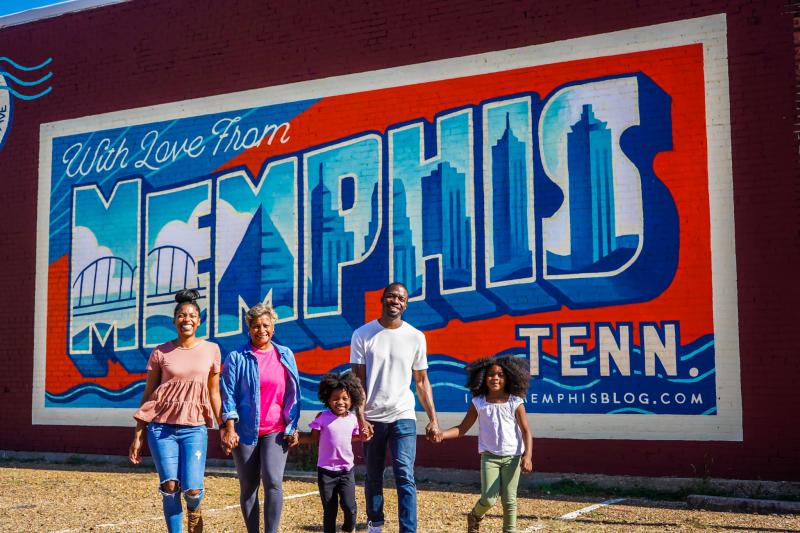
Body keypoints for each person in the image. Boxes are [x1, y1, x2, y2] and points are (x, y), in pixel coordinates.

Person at [128, 288, 223, 533]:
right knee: (170, 486)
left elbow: (214, 392)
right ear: (174, 321)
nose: (186, 319)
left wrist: (225, 425)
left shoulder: (211, 350)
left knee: (192, 489)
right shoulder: (160, 352)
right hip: (161, 429)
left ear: (199, 321)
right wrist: (138, 434)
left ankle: (195, 511)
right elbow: (149, 394)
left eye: (192, 315)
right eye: (181, 315)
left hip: (195, 429)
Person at [350, 282, 441, 533]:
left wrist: (433, 419)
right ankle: (375, 524)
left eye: (401, 298)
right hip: (372, 417)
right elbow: (357, 380)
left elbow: (422, 381)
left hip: (403, 415)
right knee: (373, 474)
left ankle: (408, 529)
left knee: (404, 473)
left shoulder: (415, 337)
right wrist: (361, 416)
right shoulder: (362, 334)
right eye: (391, 296)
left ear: (406, 304)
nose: (396, 301)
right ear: (382, 299)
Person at [219, 303, 301, 533]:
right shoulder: (236, 357)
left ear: (273, 328)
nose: (261, 330)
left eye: (266, 325)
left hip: (276, 429)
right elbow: (228, 395)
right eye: (256, 326)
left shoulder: (285, 355)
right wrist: (229, 428)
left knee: (273, 482)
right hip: (244, 431)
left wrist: (292, 425)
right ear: (249, 328)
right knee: (249, 486)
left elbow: (293, 394)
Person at [437, 355, 533, 533]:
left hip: (513, 457)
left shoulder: (515, 402)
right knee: (489, 499)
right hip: (489, 457)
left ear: (509, 377)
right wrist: (442, 434)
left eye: (500, 375)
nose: (495, 378)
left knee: (510, 500)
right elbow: (462, 428)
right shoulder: (479, 402)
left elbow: (526, 431)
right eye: (491, 374)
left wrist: (527, 456)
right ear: (482, 377)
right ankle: (474, 516)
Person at [300, 372, 367, 533]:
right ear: (327, 400)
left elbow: (354, 437)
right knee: (330, 510)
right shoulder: (322, 417)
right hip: (326, 472)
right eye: (335, 399)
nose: (340, 402)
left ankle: (348, 528)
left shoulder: (352, 419)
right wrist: (295, 439)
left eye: (345, 398)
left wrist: (364, 436)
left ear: (352, 400)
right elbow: (311, 438)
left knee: (350, 507)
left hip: (346, 471)